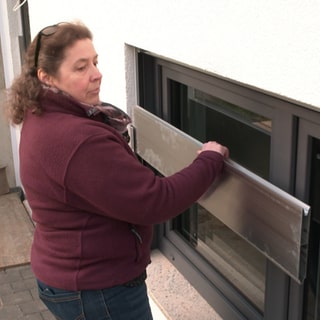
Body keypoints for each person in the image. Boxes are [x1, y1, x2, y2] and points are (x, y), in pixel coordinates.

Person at [5, 21, 229, 320]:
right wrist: (209, 160)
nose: (97, 74)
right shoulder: (77, 139)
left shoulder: (40, 114)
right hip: (98, 291)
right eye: (80, 67)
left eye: (95, 62)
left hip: (66, 276)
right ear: (47, 77)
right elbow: (155, 201)